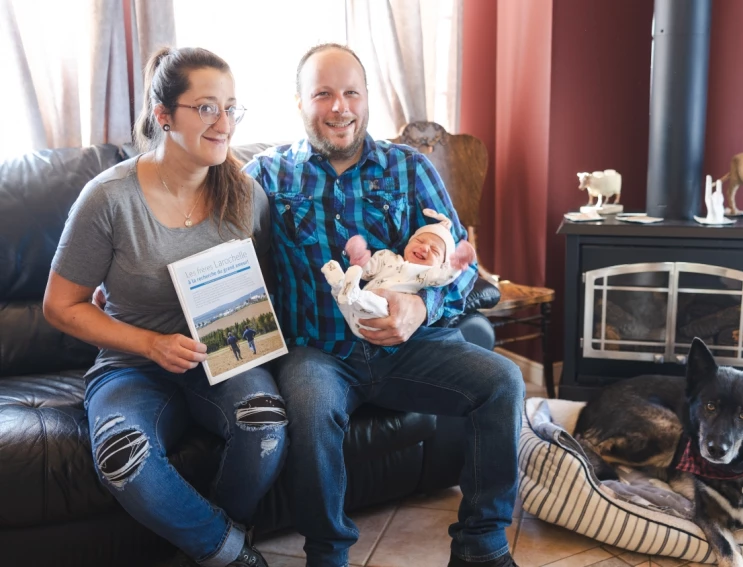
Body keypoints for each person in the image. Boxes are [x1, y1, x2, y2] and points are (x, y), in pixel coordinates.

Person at [243, 43, 524, 567]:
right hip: (319, 351)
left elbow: (460, 266)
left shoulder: (411, 169)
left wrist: (422, 308)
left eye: (351, 92)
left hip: (414, 348)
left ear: (367, 97)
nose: (340, 107)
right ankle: (327, 554)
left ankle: (481, 545)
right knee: (307, 404)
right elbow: (217, 246)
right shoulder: (266, 175)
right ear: (299, 102)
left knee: (503, 383)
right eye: (323, 94)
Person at [43, 47, 287, 567]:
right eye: (205, 108)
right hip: (132, 365)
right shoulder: (108, 198)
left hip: (221, 358)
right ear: (163, 115)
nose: (223, 124)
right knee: (120, 458)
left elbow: (264, 289)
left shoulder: (247, 196)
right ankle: (231, 553)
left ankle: (209, 546)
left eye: (231, 108)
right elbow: (60, 307)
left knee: (265, 421)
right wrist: (150, 343)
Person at [321, 208, 477, 337]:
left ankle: (353, 292)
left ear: (441, 264)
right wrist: (360, 258)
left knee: (379, 302)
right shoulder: (387, 257)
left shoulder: (427, 274)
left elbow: (444, 277)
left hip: (382, 318)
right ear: (408, 244)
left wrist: (457, 265)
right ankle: (339, 284)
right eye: (420, 241)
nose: (424, 248)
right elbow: (366, 272)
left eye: (435, 250)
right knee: (342, 299)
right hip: (353, 317)